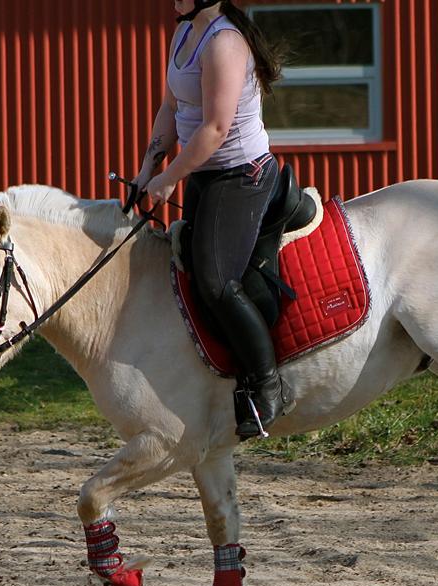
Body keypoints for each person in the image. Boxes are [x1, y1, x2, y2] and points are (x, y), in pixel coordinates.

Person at [133, 0, 289, 439]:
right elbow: (171, 108)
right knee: (186, 269)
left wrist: (168, 179)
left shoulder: (225, 43)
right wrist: (147, 170)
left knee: (217, 282)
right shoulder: (184, 32)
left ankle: (268, 385)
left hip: (241, 175)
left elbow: (216, 128)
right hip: (205, 172)